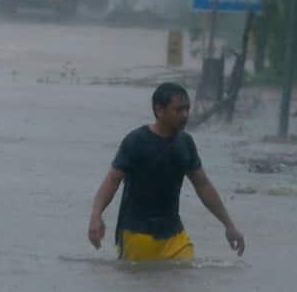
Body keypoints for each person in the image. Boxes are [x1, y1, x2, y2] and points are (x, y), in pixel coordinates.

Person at [88, 82, 246, 261]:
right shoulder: (136, 141)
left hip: (174, 235)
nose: (185, 115)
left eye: (187, 109)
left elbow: (203, 185)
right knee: (140, 284)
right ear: (159, 110)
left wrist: (229, 225)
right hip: (137, 234)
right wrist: (96, 216)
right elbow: (112, 180)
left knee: (185, 278)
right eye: (178, 110)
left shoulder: (185, 144)